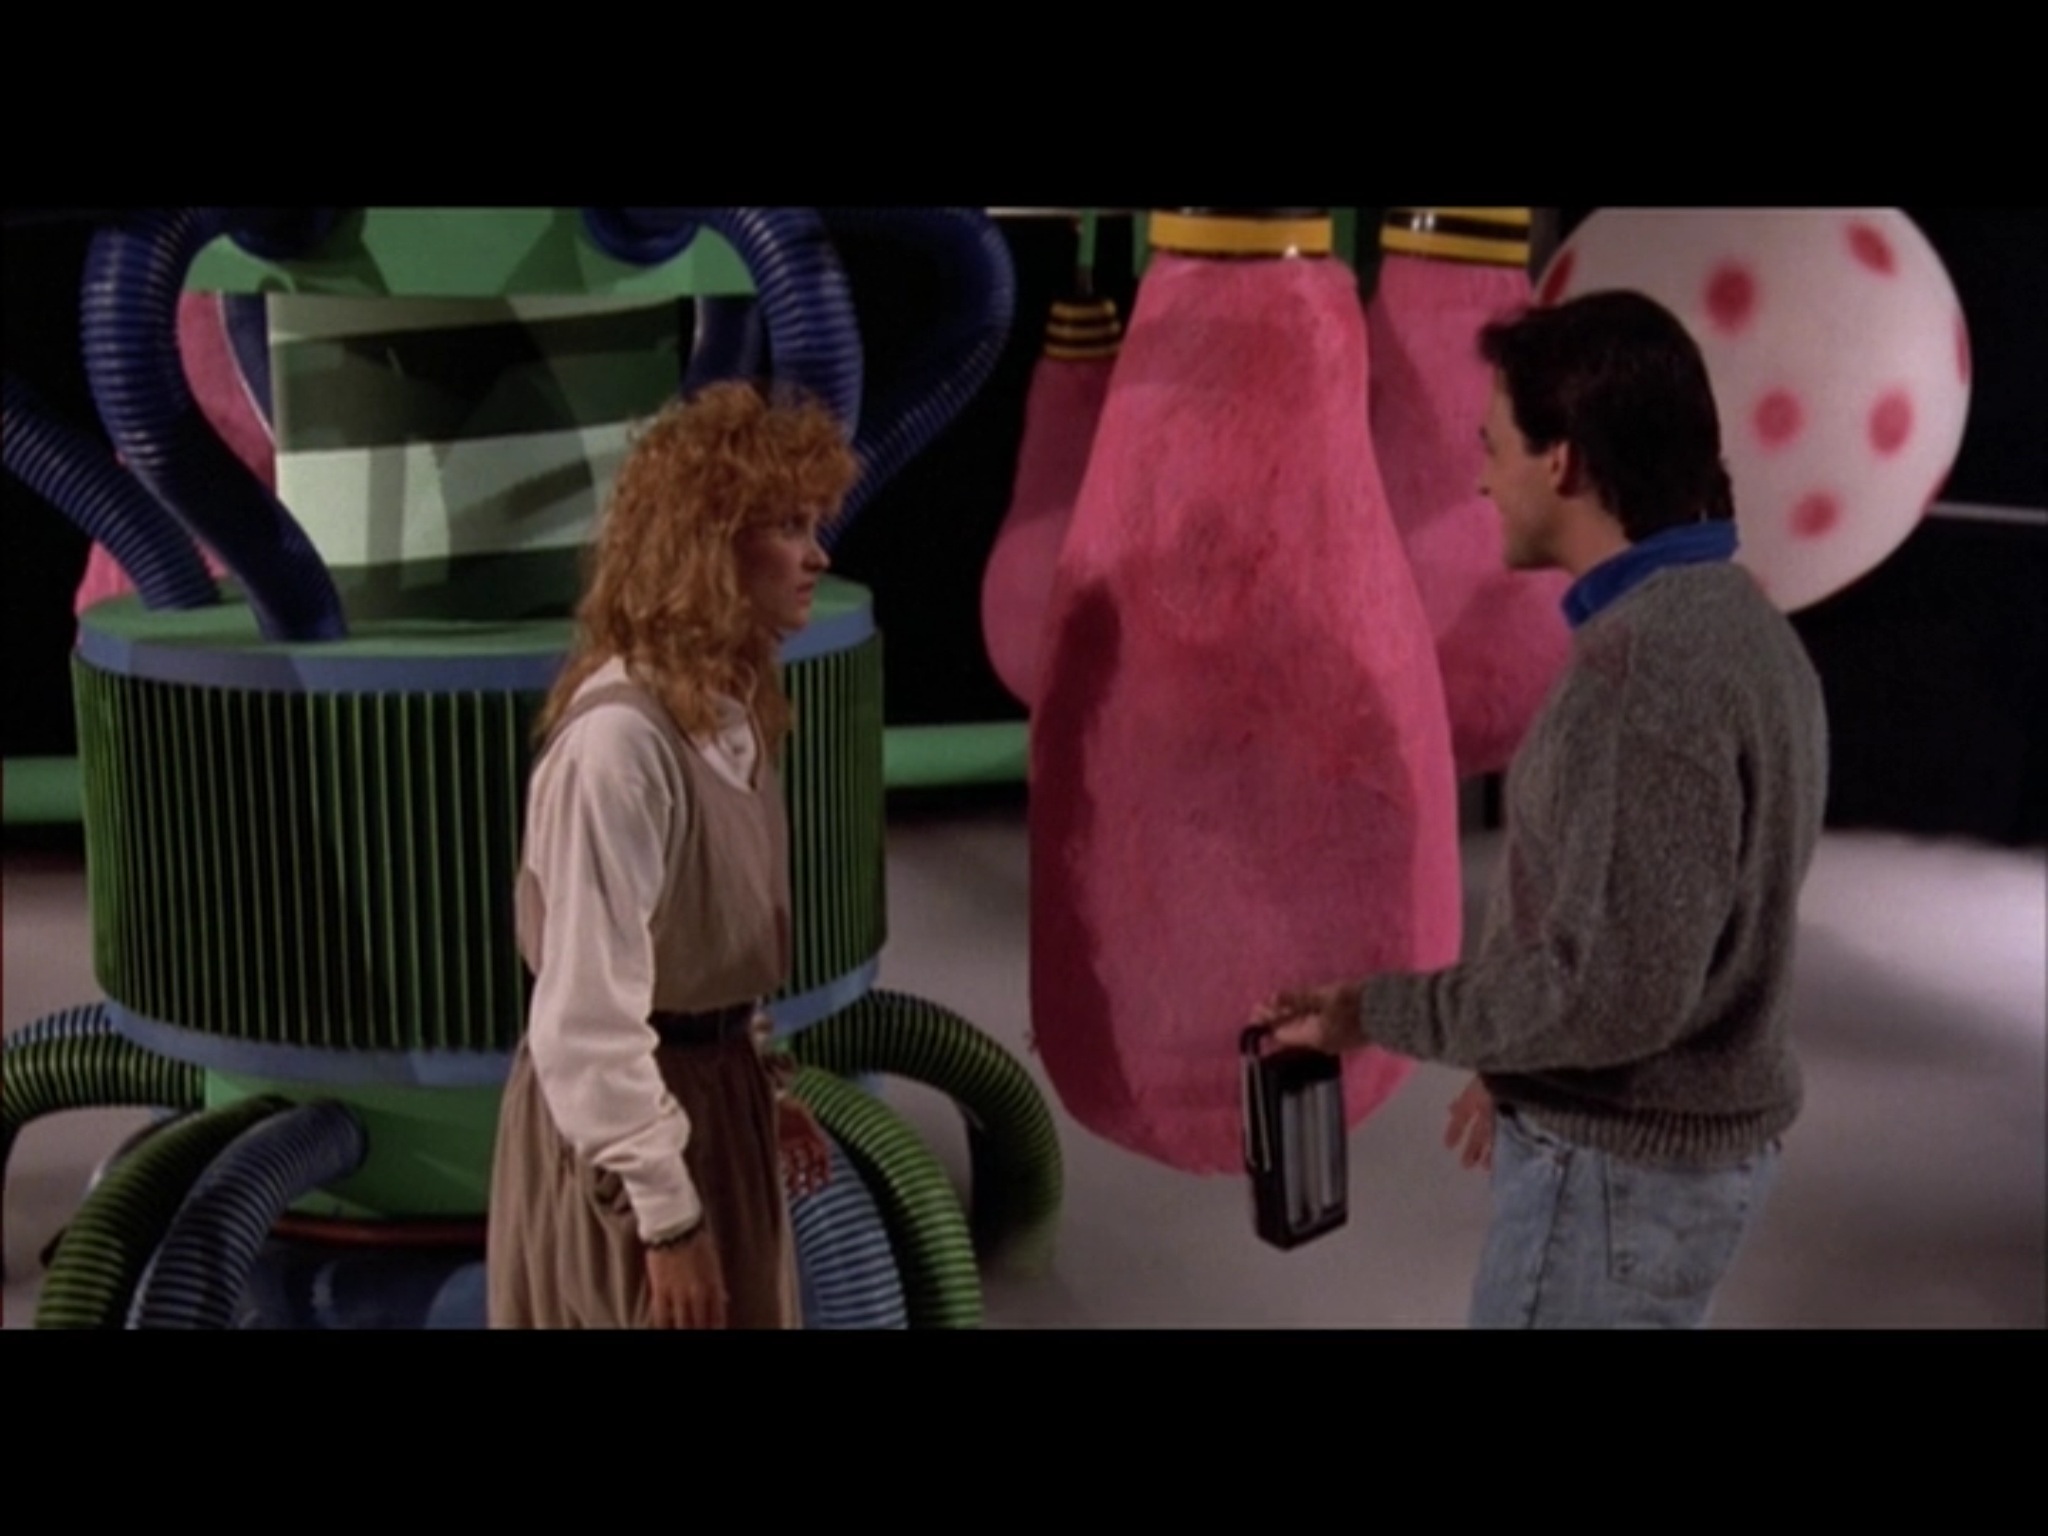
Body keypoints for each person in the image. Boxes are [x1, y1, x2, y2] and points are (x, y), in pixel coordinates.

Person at [1259, 290, 1828, 1328]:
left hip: (1612, 1180)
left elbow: (1606, 993)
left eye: (1493, 447)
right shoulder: (1744, 627)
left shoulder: (1641, 672)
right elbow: (1667, 929)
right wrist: (1521, 1055)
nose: (1481, 480)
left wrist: (1367, 1013)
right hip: (1666, 1168)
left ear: (1560, 461)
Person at [488, 380, 853, 1329]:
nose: (817, 555)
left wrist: (755, 1085)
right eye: (787, 527)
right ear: (709, 549)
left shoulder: (732, 715)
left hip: (712, 1098)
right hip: (633, 1139)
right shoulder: (620, 746)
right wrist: (668, 1216)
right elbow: (585, 1021)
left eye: (814, 525)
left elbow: (714, 946)